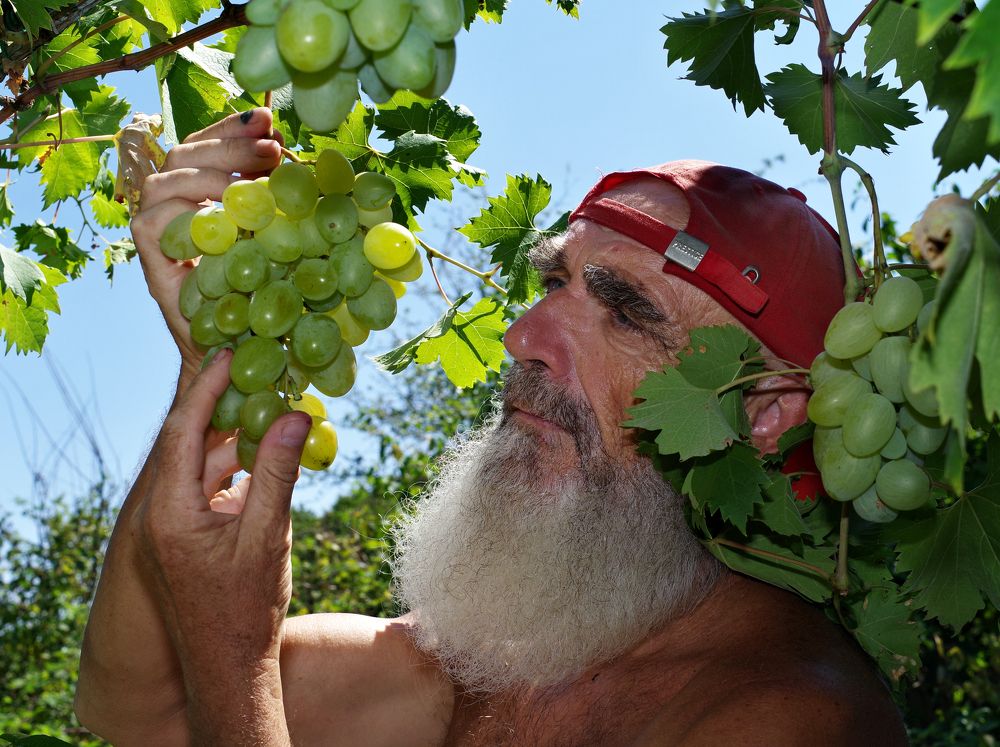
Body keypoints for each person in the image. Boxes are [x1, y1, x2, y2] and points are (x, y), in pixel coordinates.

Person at [75, 108, 907, 745]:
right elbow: (139, 712)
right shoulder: (484, 662)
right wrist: (215, 363)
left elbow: (214, 687)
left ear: (763, 413)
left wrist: (235, 660)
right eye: (554, 283)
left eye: (625, 313)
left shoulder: (793, 715)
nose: (522, 338)